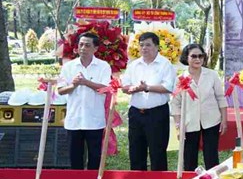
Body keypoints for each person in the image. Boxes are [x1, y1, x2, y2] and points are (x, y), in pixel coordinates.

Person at [122, 32, 176, 171]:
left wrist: (147, 88)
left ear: (157, 47)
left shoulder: (165, 64)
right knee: (135, 150)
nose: (144, 48)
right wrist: (133, 88)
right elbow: (125, 86)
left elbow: (168, 87)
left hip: (157, 113)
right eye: (141, 45)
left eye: (148, 45)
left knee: (157, 151)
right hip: (136, 113)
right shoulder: (134, 65)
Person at [57, 32, 111, 170]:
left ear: (95, 48)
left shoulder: (103, 66)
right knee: (75, 158)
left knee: (95, 157)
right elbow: (61, 90)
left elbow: (106, 89)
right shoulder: (69, 67)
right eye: (80, 45)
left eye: (87, 45)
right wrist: (74, 85)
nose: (83, 48)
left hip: (94, 120)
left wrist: (86, 82)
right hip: (74, 120)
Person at [170, 44, 227, 171]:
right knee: (189, 156)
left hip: (212, 120)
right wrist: (178, 125)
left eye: (201, 56)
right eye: (194, 56)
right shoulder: (180, 78)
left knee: (211, 155)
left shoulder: (212, 75)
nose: (198, 59)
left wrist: (224, 119)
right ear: (186, 57)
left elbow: (221, 97)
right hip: (188, 122)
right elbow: (175, 104)